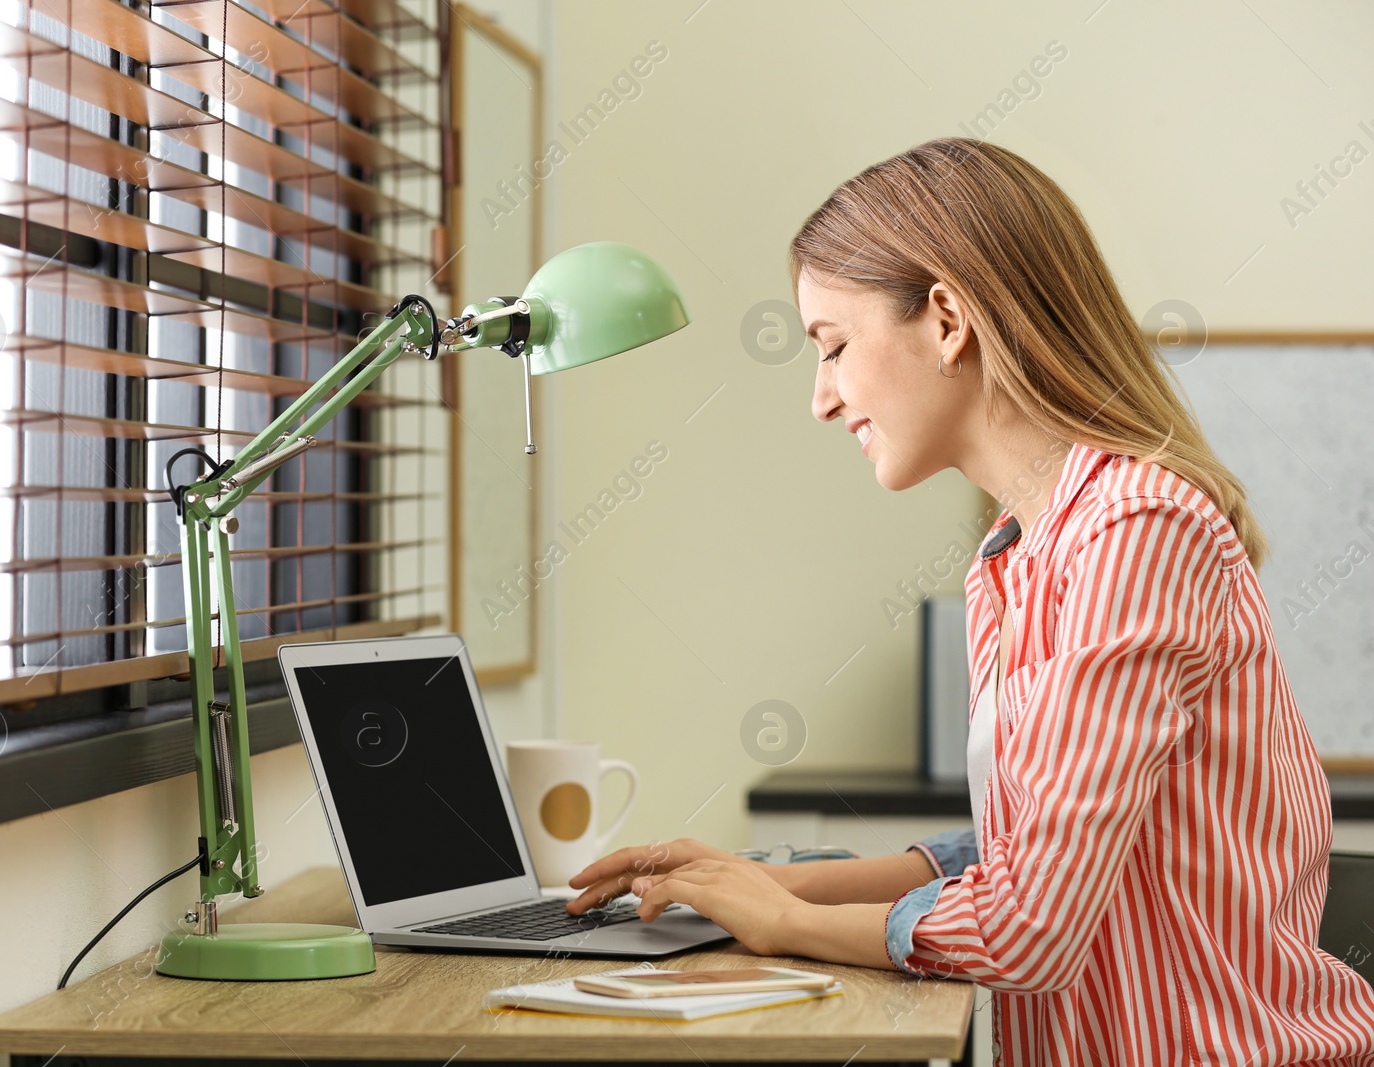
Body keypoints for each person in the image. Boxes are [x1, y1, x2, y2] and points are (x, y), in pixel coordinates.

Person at [565, 138, 1374, 1065]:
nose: (820, 400)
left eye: (831, 347)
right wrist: (758, 879)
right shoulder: (1014, 553)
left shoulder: (1137, 527)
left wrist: (784, 919)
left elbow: (1031, 926)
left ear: (948, 318)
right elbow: (1015, 848)